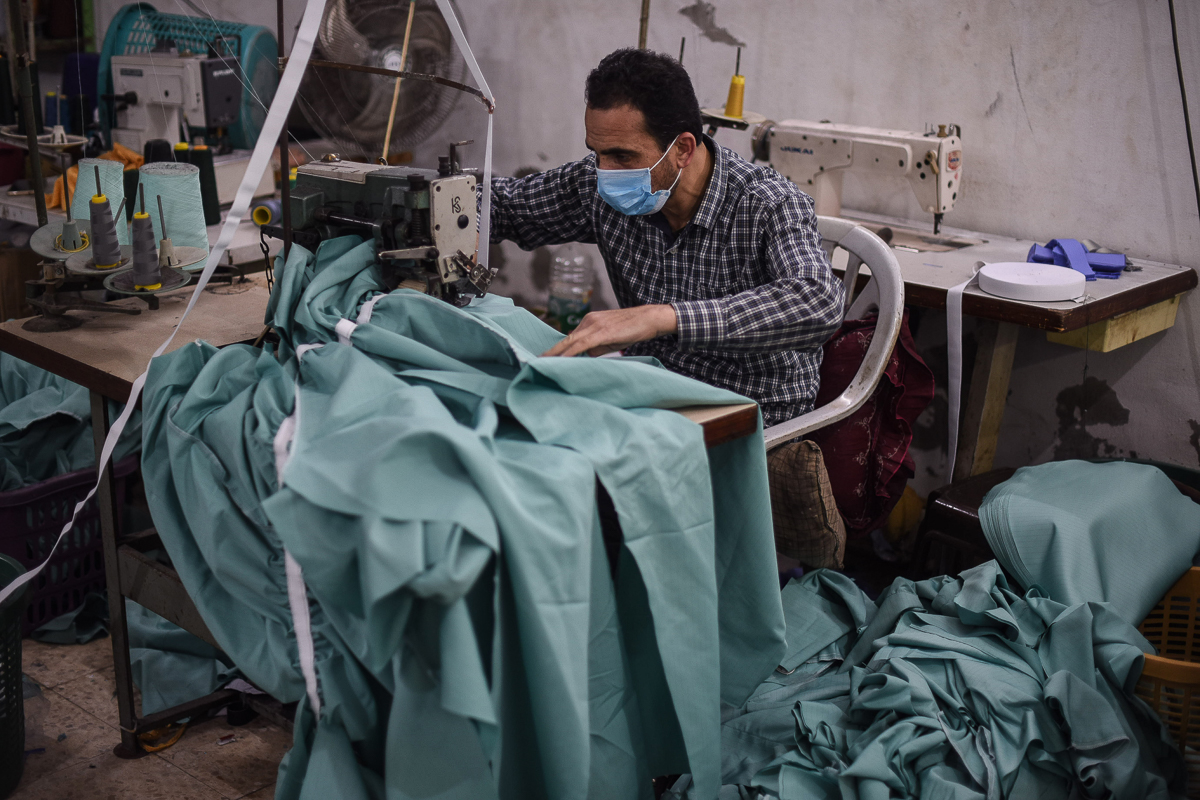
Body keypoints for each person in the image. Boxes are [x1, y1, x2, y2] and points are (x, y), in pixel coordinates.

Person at [489, 47, 845, 428]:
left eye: (622, 157)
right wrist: (436, 204)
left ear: (682, 149)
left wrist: (663, 317)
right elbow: (504, 206)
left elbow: (817, 301)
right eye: (596, 153)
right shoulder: (596, 183)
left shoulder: (768, 204)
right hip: (649, 389)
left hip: (748, 410)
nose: (604, 172)